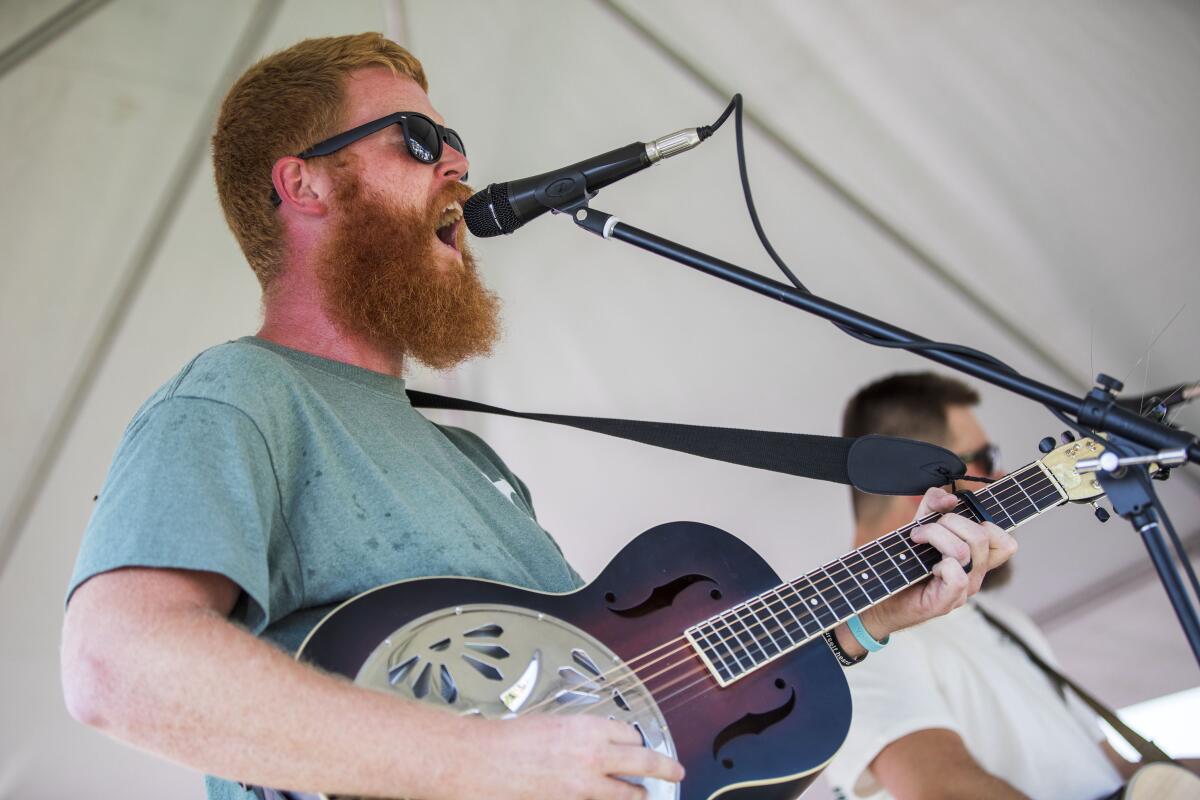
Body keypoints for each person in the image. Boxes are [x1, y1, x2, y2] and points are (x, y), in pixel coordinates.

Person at [60, 34, 1014, 800]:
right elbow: (118, 666)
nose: (461, 163)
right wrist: (482, 765)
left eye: (455, 139)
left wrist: (861, 619)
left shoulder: (471, 460)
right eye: (418, 140)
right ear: (303, 184)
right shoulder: (238, 395)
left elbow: (632, 700)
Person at [825, 372, 1141, 800]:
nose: (1005, 474)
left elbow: (1112, 769)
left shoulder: (1006, 620)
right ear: (915, 480)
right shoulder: (845, 636)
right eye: (986, 458)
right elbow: (945, 792)